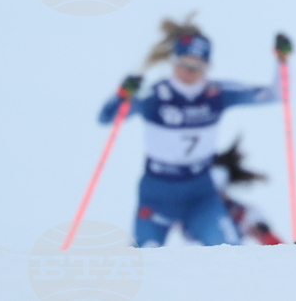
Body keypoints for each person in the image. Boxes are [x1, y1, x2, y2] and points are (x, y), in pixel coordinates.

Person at [98, 17, 281, 247]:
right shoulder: (153, 96)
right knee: (146, 256)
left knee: (230, 250)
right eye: (183, 64)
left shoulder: (217, 94)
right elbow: (106, 117)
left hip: (200, 193)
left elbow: (275, 95)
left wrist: (281, 61)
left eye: (197, 67)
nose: (188, 72)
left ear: (207, 67)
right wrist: (122, 94)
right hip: (157, 193)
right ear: (173, 62)